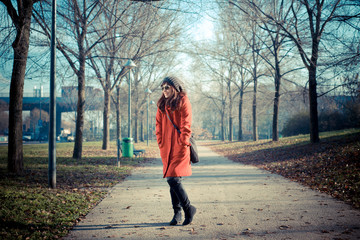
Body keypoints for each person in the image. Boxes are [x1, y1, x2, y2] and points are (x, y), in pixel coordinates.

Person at [155, 76, 197, 226]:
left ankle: (188, 208)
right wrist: (160, 141)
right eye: (162, 88)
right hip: (166, 147)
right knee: (173, 179)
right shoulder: (162, 103)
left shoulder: (183, 101)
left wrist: (183, 142)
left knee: (173, 179)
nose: (164, 90)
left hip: (180, 147)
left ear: (175, 87)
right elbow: (158, 124)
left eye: (167, 87)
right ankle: (177, 213)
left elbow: (187, 123)